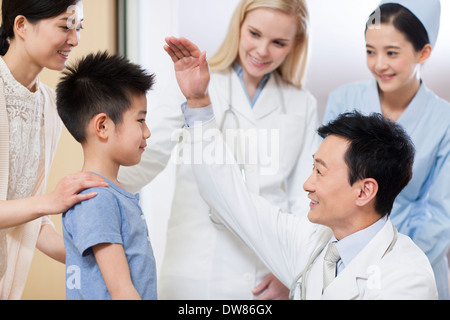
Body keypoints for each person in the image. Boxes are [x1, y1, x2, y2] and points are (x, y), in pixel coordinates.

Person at [119, 0, 320, 300]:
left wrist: (293, 271)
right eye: (254, 33)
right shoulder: (194, 81)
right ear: (238, 26)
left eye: (278, 42)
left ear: (295, 45)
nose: (262, 50)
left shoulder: (302, 104)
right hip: (195, 271)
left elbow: (305, 199)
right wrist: (98, 178)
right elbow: (147, 155)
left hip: (265, 276)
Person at [323, 0, 450, 299]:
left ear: (424, 52)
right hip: (345, 253)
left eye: (391, 52)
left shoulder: (444, 120)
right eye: (370, 51)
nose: (378, 64)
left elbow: (442, 212)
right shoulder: (343, 100)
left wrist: (389, 255)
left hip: (416, 260)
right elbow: (326, 180)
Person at [0, 0, 107, 300]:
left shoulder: (49, 105)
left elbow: (31, 217)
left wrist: (94, 257)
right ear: (21, 26)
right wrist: (50, 201)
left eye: (79, 28)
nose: (74, 39)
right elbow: (40, 205)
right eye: (65, 26)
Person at [56, 52, 157, 300]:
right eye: (140, 120)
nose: (148, 132)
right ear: (102, 126)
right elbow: (121, 290)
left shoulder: (105, 194)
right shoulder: (96, 198)